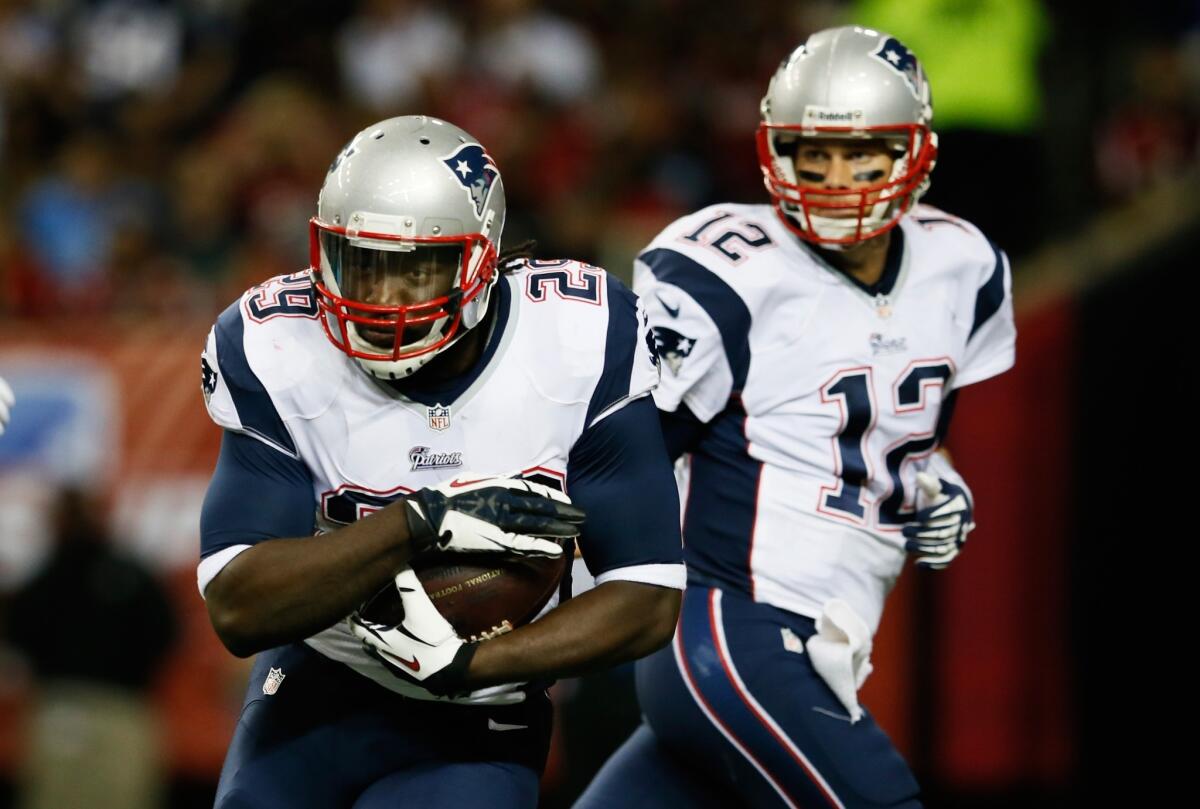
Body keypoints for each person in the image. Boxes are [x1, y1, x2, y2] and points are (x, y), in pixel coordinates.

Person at [576, 26, 1016, 809]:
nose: (836, 178)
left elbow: (907, 431)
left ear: (915, 151)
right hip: (731, 623)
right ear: (776, 150)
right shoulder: (730, 268)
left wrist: (935, 479)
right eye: (813, 154)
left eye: (861, 155)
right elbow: (630, 454)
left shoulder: (965, 265)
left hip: (819, 637)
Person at [197, 115, 683, 809]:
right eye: (361, 263)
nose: (379, 298)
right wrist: (422, 523)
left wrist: (475, 663)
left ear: (481, 257)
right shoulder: (277, 346)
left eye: (414, 268)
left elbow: (646, 595)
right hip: (321, 678)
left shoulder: (578, 338)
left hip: (479, 712)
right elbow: (238, 607)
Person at [8, 486, 177, 809]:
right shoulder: (130, 575)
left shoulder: (45, 581)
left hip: (78, 709)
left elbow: (19, 638)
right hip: (110, 708)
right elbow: (165, 636)